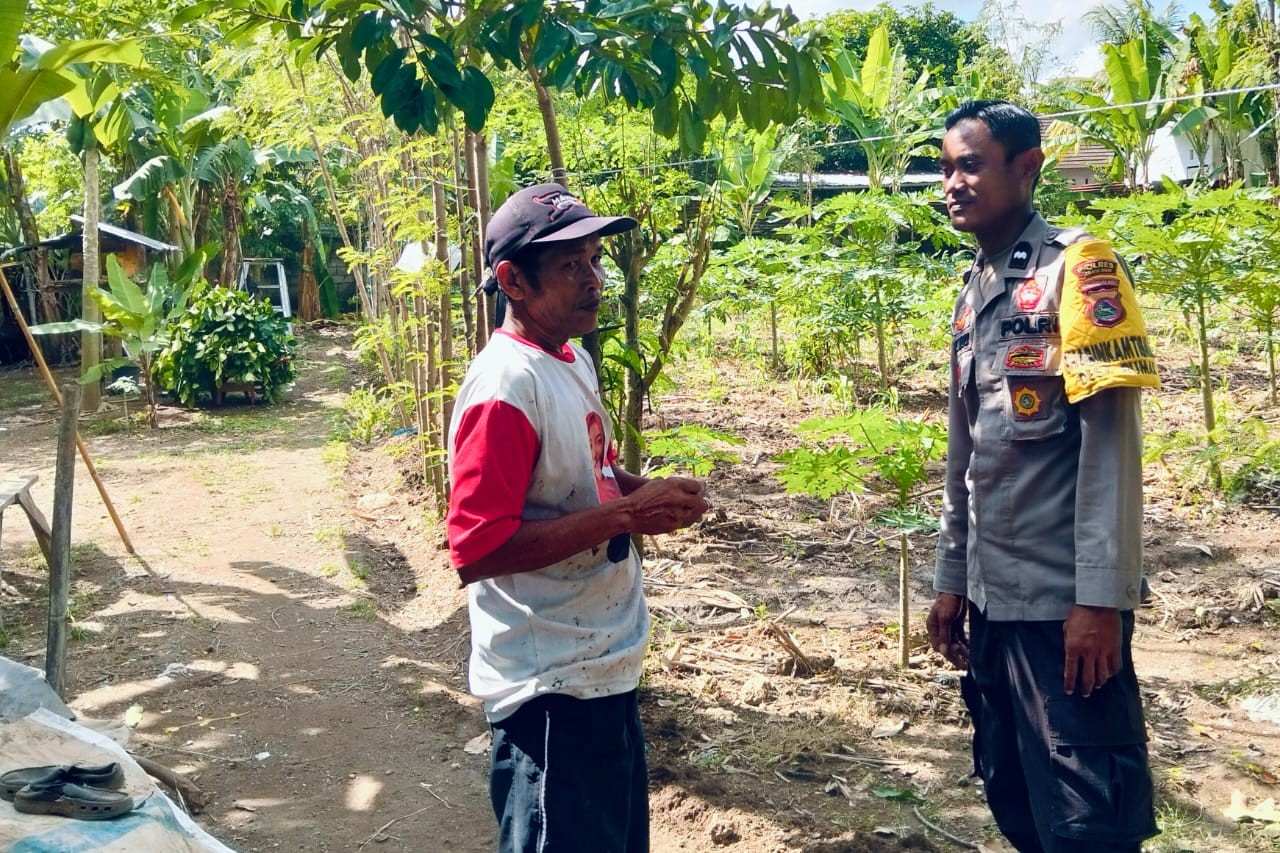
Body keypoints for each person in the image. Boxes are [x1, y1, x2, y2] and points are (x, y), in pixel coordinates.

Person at [926, 101, 1162, 853]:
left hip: (1064, 610)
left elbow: (1111, 448)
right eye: (945, 168)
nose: (952, 183)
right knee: (1017, 799)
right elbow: (966, 455)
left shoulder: (1080, 269)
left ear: (1027, 167)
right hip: (993, 604)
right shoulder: (975, 289)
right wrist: (951, 579)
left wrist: (1100, 601)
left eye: (970, 165)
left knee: (1088, 820)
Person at [447, 183, 710, 853]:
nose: (595, 279)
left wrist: (646, 497)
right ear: (513, 281)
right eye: (571, 265)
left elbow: (591, 475)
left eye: (594, 259)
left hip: (600, 666)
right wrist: (624, 513)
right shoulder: (506, 388)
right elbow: (477, 547)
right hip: (549, 689)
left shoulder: (570, 359)